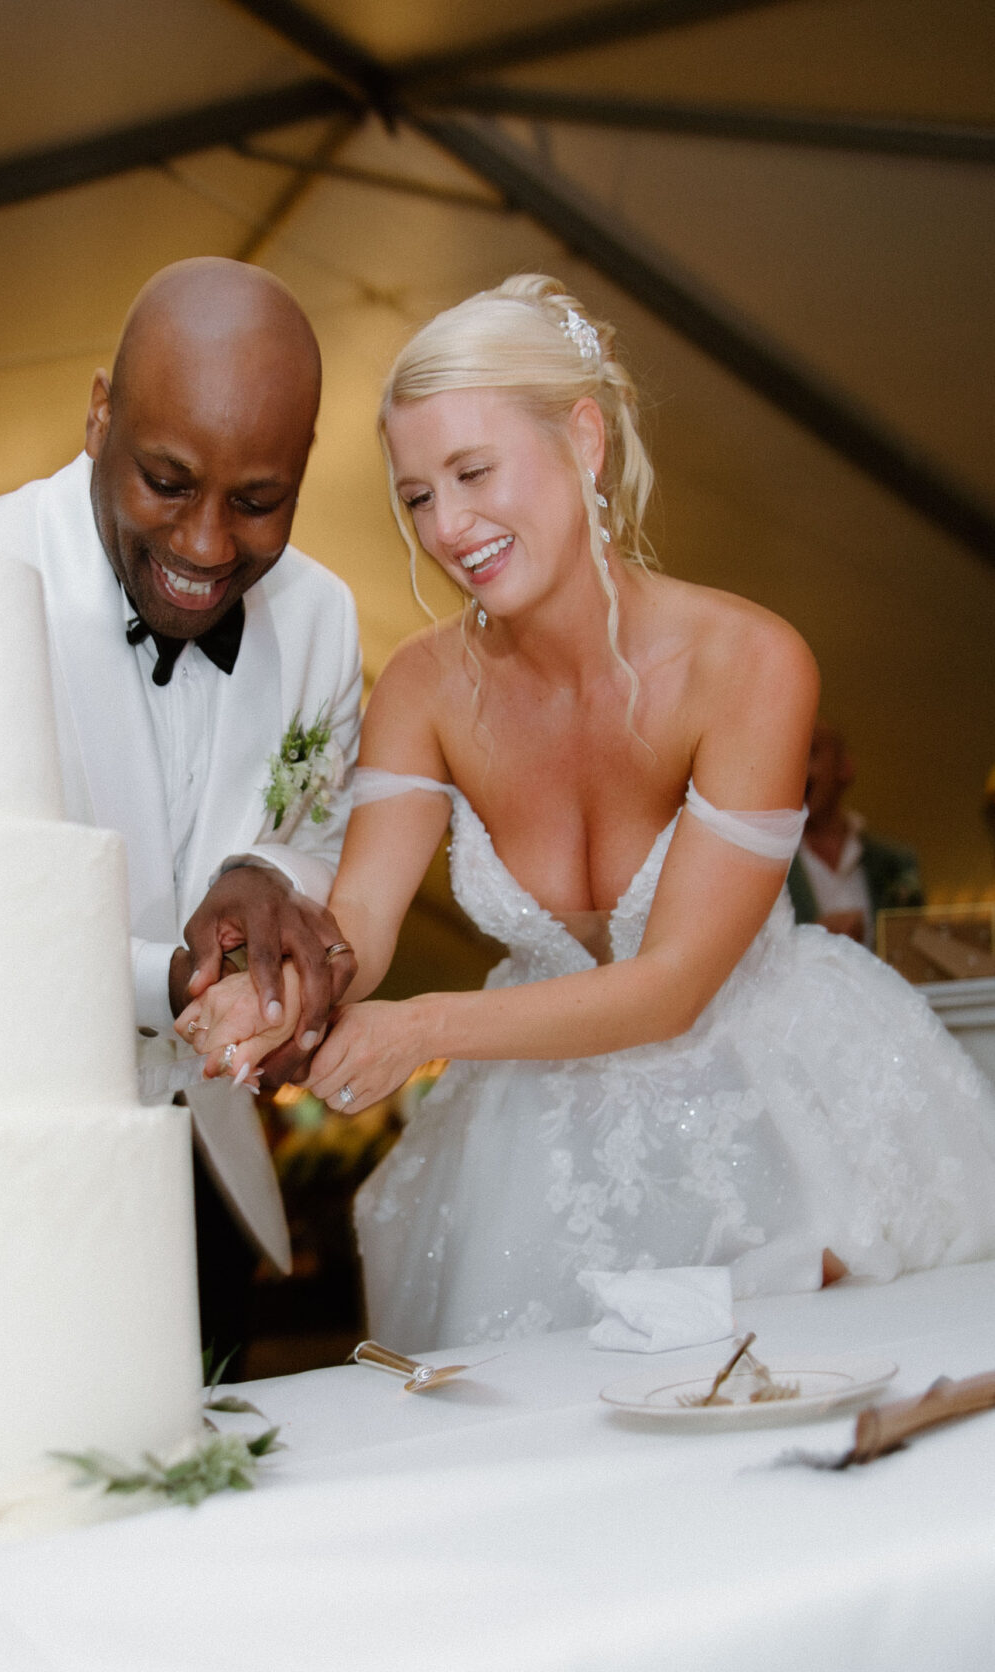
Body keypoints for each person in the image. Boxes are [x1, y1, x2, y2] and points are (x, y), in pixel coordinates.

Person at [180, 274, 995, 1352]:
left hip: (779, 1122)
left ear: (583, 439)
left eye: (473, 472)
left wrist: (423, 1030)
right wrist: (273, 997)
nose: (448, 525)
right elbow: (362, 925)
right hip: (539, 1157)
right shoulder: (421, 687)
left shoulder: (747, 663)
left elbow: (666, 987)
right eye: (417, 494)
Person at [0, 260, 362, 1363]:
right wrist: (177, 978)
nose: (207, 547)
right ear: (99, 411)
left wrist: (265, 878)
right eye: (166, 482)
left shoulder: (321, 617)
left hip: (202, 1175)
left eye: (257, 502)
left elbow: (316, 838)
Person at [787, 720, 923, 946]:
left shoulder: (897, 862)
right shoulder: (771, 867)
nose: (798, 769)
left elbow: (917, 952)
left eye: (810, 752)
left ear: (845, 767)